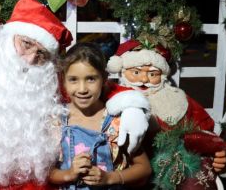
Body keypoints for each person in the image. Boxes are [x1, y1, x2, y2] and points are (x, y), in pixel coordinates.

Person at [0, 0, 149, 189]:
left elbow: (94, 88)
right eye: (26, 44)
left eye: (42, 53)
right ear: (7, 36)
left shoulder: (47, 77)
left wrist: (131, 105)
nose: (32, 58)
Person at [106, 39, 226, 189]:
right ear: (123, 71)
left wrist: (218, 157)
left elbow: (204, 132)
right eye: (136, 72)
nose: (144, 80)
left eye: (153, 74)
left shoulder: (178, 99)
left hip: (174, 172)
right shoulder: (112, 97)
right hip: (126, 175)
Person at [49, 42, 152, 189]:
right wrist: (69, 173)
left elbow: (144, 167)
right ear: (63, 80)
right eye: (73, 80)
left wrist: (110, 178)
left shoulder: (117, 122)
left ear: (104, 78)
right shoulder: (56, 121)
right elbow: (47, 172)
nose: (82, 89)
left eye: (91, 79)